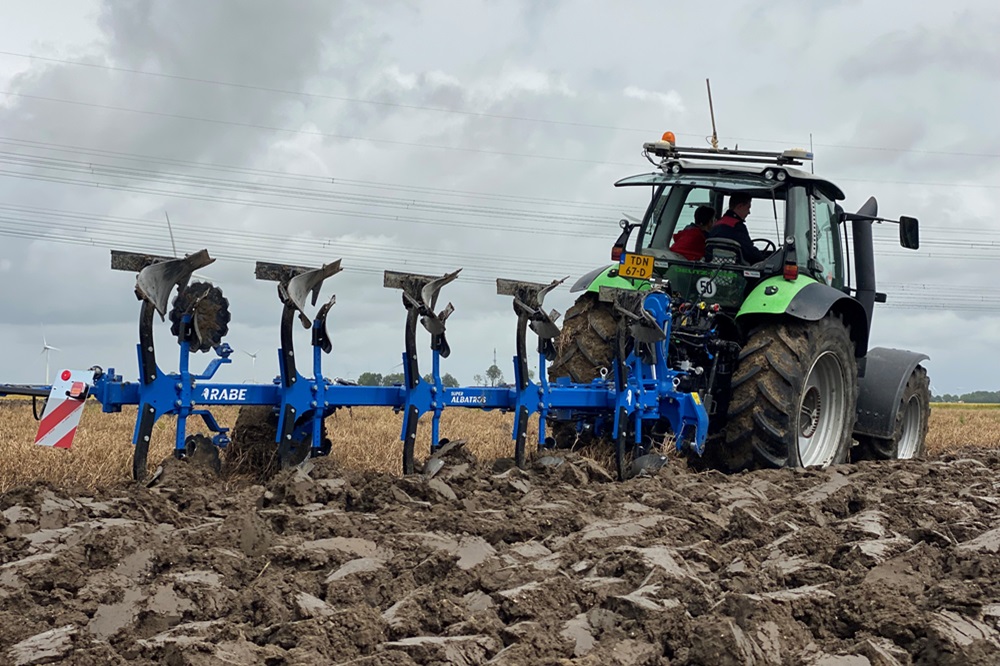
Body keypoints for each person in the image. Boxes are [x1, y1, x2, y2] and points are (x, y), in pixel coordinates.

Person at [706, 193, 766, 264]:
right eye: (748, 208)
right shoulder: (737, 227)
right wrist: (764, 260)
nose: (749, 212)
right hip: (736, 269)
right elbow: (749, 252)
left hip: (714, 267)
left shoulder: (716, 225)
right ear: (740, 206)